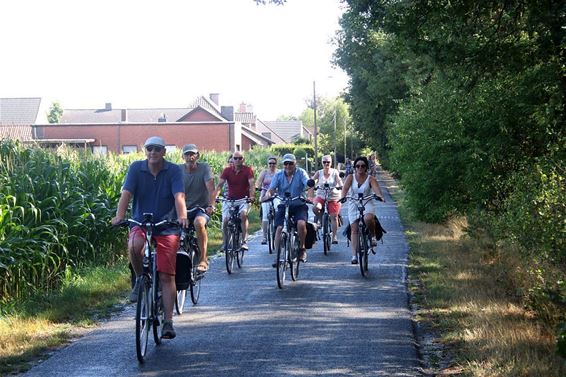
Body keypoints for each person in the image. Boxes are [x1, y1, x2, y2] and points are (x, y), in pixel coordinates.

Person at [111, 136, 188, 339]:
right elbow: (126, 194)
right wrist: (119, 216)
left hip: (167, 225)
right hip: (141, 222)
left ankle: (168, 322)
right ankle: (139, 279)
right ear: (145, 151)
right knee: (134, 246)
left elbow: (179, 196)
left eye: (157, 149)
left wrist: (182, 216)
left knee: (166, 275)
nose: (152, 152)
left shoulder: (173, 170)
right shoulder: (136, 168)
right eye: (149, 149)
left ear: (163, 152)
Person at [261, 153, 313, 264]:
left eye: (290, 163)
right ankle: (278, 255)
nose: (288, 166)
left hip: (299, 204)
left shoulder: (301, 173)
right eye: (286, 163)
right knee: (279, 228)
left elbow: (308, 183)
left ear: (295, 164)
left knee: (301, 224)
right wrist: (268, 195)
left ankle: (302, 249)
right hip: (284, 204)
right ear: (283, 164)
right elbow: (272, 189)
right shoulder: (278, 175)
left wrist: (309, 195)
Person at [339, 156, 385, 264]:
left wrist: (380, 196)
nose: (360, 168)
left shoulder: (371, 179)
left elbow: (377, 190)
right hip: (353, 202)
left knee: (368, 218)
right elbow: (344, 189)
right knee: (354, 228)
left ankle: (373, 236)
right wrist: (342, 197)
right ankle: (354, 256)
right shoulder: (350, 177)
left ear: (366, 167)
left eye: (363, 166)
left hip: (367, 201)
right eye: (357, 166)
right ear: (354, 167)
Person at [180, 143, 216, 272]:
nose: (190, 157)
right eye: (187, 154)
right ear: (182, 156)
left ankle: (203, 258)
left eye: (192, 154)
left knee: (199, 222)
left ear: (197, 156)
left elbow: (211, 189)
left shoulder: (204, 168)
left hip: (201, 208)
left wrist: (211, 205)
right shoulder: (178, 170)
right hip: (183, 209)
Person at [214, 150, 255, 250]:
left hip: (243, 199)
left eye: (240, 158)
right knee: (225, 221)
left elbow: (252, 185)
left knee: (243, 215)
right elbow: (220, 185)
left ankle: (244, 240)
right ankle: (225, 243)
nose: (237, 160)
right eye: (235, 158)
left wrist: (252, 196)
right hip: (230, 200)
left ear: (243, 159)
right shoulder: (227, 170)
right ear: (232, 159)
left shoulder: (248, 170)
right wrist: (215, 196)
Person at [311, 155, 344, 244]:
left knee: (334, 216)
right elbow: (312, 180)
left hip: (333, 196)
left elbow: (339, 180)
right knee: (315, 208)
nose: (326, 164)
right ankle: (321, 220)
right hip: (321, 195)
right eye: (324, 162)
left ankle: (334, 236)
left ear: (331, 163)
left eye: (328, 162)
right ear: (322, 163)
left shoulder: (335, 172)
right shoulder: (319, 172)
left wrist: (341, 186)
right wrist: (311, 183)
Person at [255, 156, 280, 245]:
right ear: (268, 164)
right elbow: (258, 182)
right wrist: (257, 187)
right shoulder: (264, 172)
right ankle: (265, 236)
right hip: (265, 195)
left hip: (276, 195)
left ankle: (278, 231)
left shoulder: (279, 173)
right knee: (265, 216)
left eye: (273, 163)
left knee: (278, 209)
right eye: (270, 163)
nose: (271, 165)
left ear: (276, 164)